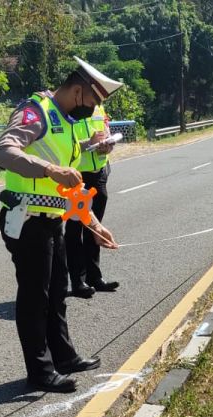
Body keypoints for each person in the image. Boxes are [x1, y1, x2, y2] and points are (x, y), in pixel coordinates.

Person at [0, 56, 120, 394]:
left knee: (57, 292)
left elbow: (70, 187)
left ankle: (63, 357)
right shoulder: (36, 112)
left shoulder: (67, 122)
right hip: (27, 219)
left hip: (51, 220)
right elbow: (4, 151)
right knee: (35, 297)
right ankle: (39, 371)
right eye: (92, 101)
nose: (92, 110)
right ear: (78, 91)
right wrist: (49, 169)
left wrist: (93, 225)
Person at [65, 102, 119, 298]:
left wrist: (108, 144)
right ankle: (78, 281)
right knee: (74, 230)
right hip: (77, 175)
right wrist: (88, 143)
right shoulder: (67, 108)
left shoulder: (99, 107)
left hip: (100, 173)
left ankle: (94, 277)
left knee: (95, 228)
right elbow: (64, 146)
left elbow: (106, 131)